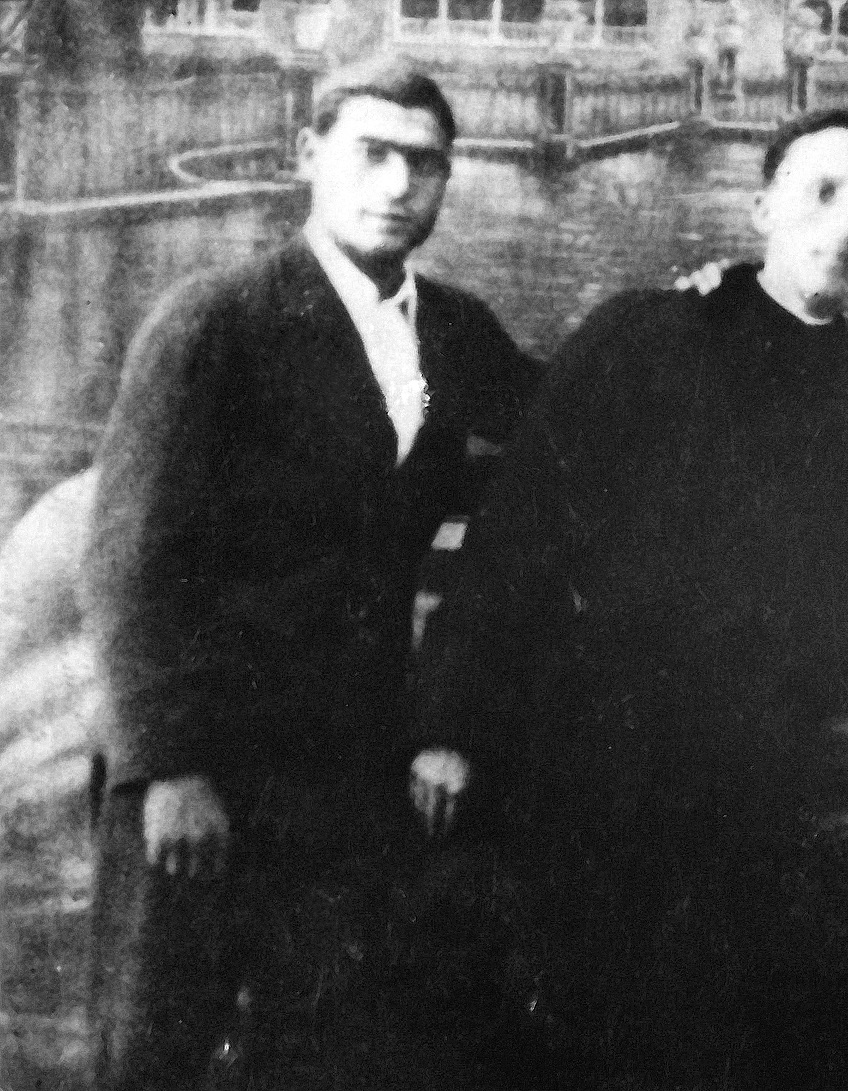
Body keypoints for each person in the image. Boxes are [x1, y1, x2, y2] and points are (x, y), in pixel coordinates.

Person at [412, 108, 848, 1085]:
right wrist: (449, 724)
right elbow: (519, 527)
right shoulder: (646, 331)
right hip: (572, 750)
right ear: (762, 207)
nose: (844, 223)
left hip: (736, 785)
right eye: (820, 192)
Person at [82, 58, 538, 1091]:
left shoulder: (453, 332)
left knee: (313, 1051)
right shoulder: (218, 319)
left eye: (424, 163)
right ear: (309, 156)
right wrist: (167, 766)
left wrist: (706, 314)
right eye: (371, 153)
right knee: (151, 1054)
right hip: (201, 772)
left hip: (344, 773)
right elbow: (131, 557)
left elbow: (570, 423)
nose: (397, 184)